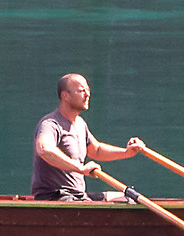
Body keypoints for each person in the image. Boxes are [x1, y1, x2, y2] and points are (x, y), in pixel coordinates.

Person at [32, 73, 146, 201]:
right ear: (65, 96)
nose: (87, 95)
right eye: (81, 91)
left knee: (128, 200)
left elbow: (96, 150)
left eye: (88, 90)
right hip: (55, 197)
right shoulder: (50, 124)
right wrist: (80, 168)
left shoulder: (80, 124)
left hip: (79, 196)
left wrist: (126, 152)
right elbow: (44, 149)